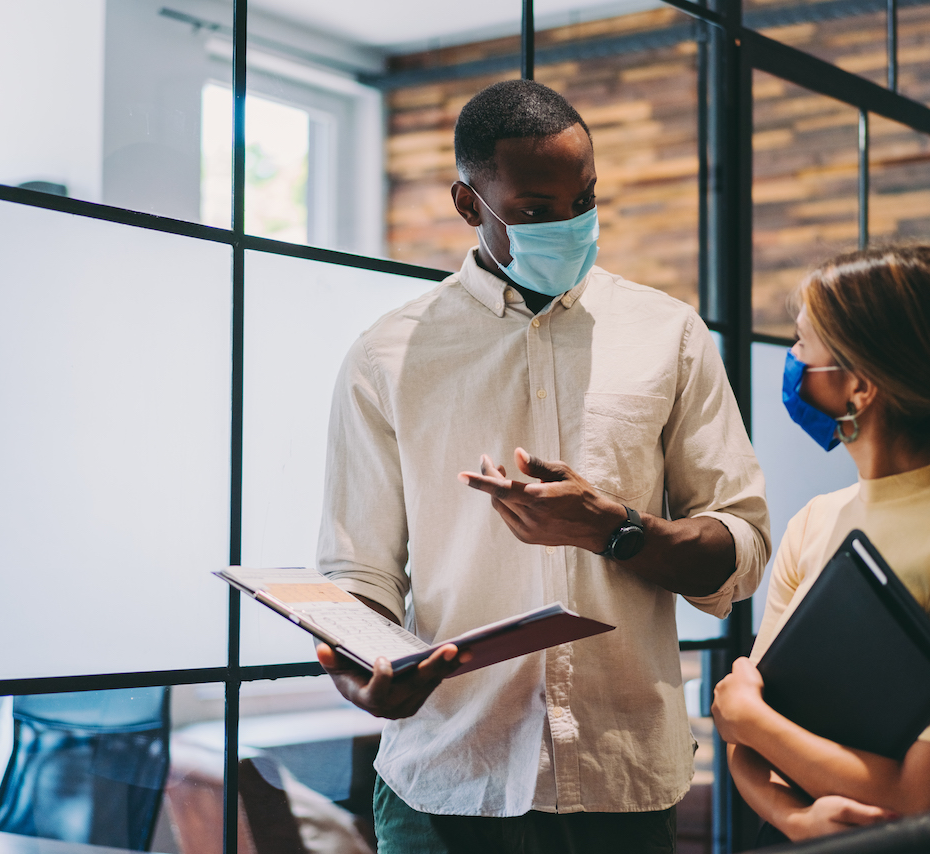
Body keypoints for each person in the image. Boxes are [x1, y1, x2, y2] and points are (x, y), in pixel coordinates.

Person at [314, 79, 771, 854]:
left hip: (621, 781)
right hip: (446, 783)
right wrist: (364, 674)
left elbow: (742, 548)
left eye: (584, 199)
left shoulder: (670, 334)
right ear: (470, 204)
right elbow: (356, 572)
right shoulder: (387, 356)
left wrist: (615, 530)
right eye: (534, 210)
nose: (569, 225)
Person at [711, 245, 930, 846]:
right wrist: (795, 818)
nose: (791, 361)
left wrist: (754, 722)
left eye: (802, 345)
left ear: (860, 388)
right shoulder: (814, 521)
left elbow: (924, 795)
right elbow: (747, 747)